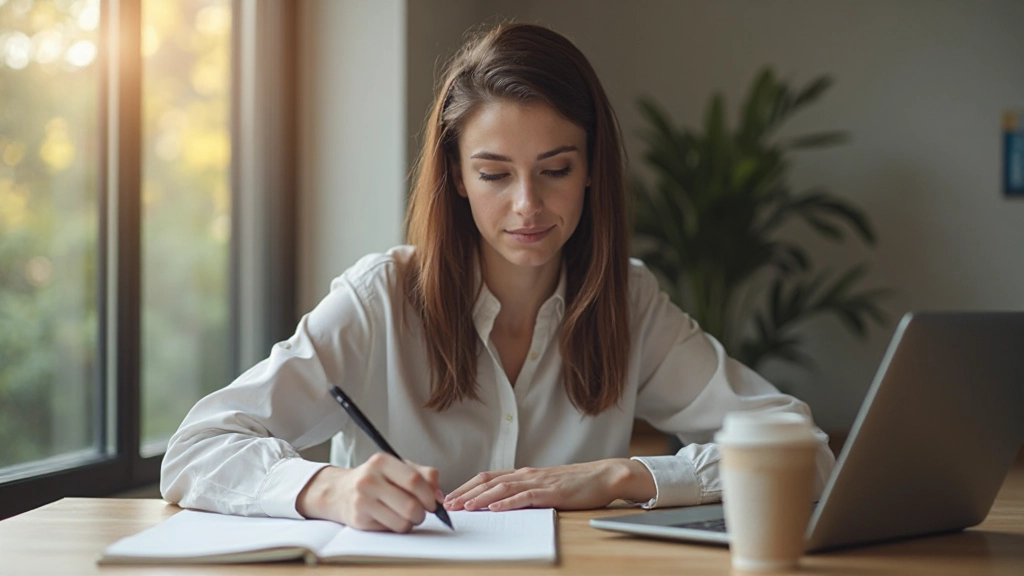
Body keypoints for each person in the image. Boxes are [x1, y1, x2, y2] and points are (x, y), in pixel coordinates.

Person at [161, 22, 836, 533]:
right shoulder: (381, 301)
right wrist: (330, 490)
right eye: (493, 174)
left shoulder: (627, 303)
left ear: (593, 166)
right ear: (456, 176)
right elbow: (196, 449)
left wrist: (621, 475)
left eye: (556, 169)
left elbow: (803, 450)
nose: (528, 206)